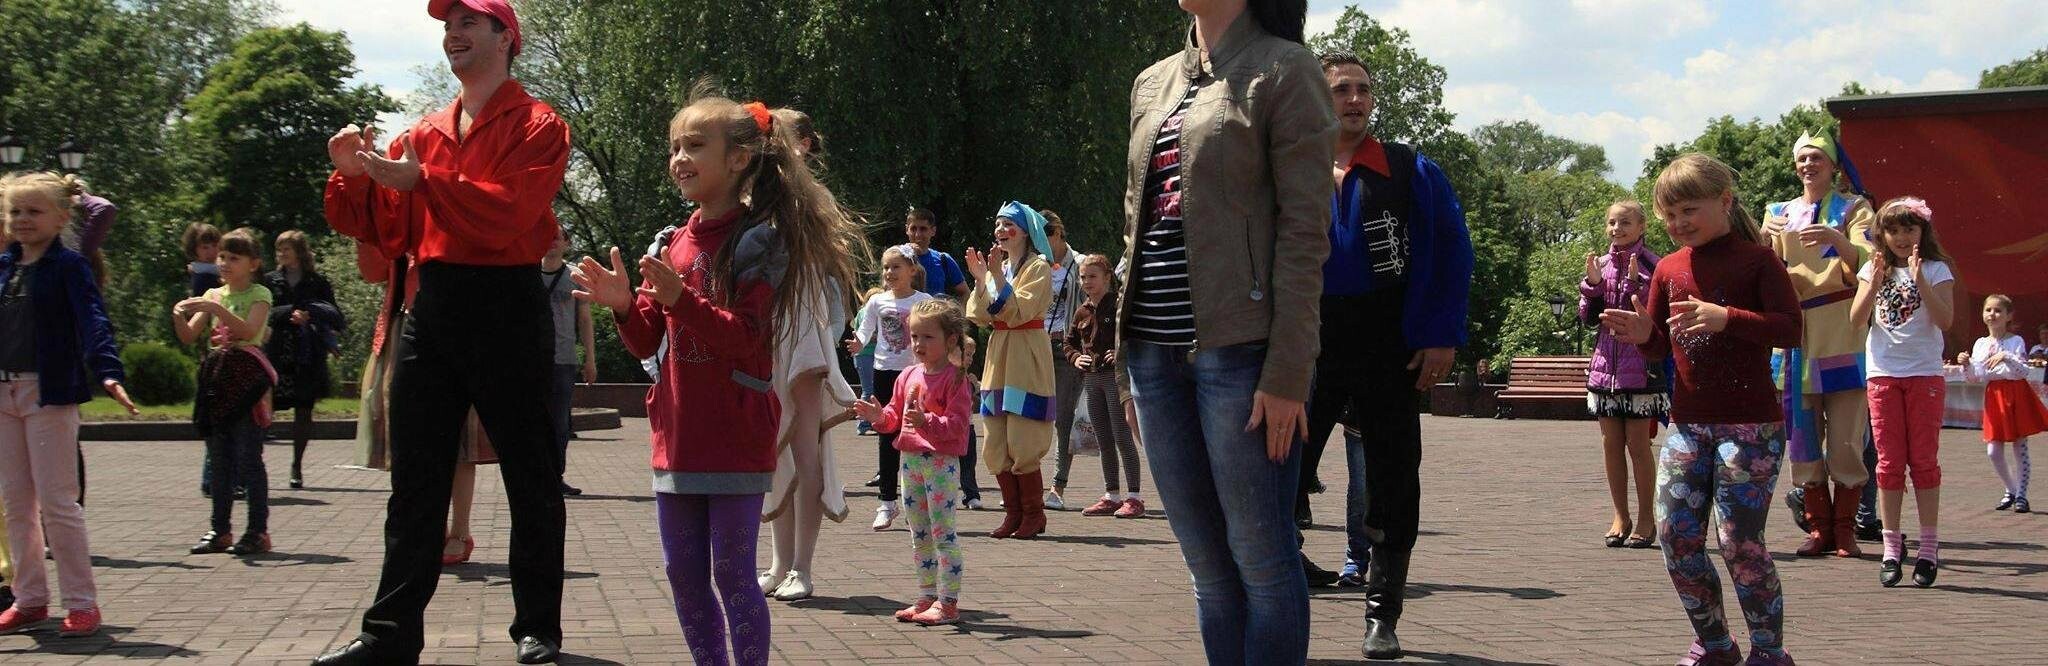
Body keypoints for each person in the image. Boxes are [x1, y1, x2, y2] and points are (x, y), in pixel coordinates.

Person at [313, 0, 570, 662]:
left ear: (505, 37)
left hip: (508, 307)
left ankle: (537, 627)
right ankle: (389, 636)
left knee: (532, 475)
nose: (453, 34)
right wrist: (354, 175)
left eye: (467, 23)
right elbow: (386, 231)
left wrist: (423, 181)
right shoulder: (422, 133)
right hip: (435, 307)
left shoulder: (540, 124)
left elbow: (507, 213)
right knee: (416, 481)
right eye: (448, 26)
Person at [575, 88, 859, 665]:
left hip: (734, 435)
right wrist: (624, 306)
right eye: (675, 146)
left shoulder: (760, 242)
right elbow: (648, 341)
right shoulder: (669, 242)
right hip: (677, 436)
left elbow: (748, 340)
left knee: (733, 575)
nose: (679, 157)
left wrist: (680, 301)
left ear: (737, 159)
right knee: (683, 576)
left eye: (695, 145)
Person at [1121, 2, 1331, 663]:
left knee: (1262, 561)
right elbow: (1133, 223)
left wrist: (1289, 370)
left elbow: (1305, 232)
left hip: (1242, 355)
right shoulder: (1153, 81)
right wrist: (1125, 367)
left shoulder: (1286, 69)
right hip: (1152, 355)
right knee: (1208, 569)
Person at [1300, 49, 1471, 656]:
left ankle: (1382, 613)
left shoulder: (1408, 168)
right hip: (1308, 337)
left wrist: (1440, 333)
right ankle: (1281, 582)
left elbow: (1452, 249)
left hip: (1387, 338)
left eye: (1363, 89)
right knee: (1280, 463)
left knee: (1394, 476)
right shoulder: (1291, 164)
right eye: (1341, 89)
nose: (1354, 99)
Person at [1602, 153, 1801, 665]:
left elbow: (1790, 328)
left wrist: (1727, 317)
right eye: (1669, 215)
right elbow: (1660, 346)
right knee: (1675, 536)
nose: (1679, 223)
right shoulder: (1669, 268)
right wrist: (1643, 334)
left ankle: (1769, 651)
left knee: (1738, 541)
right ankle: (1715, 645)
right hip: (1689, 427)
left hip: (1751, 427)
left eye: (1689, 210)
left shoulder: (1759, 262)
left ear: (1725, 201)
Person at [0, 172, 136, 638]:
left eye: (34, 211)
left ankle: (81, 603)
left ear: (61, 218)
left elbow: (93, 320)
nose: (22, 219)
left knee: (58, 502)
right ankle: (29, 600)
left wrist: (108, 371)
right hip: (3, 395)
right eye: (15, 211)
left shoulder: (69, 266)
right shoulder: (5, 266)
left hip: (47, 393)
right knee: (16, 503)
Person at [759, 105, 867, 603]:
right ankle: (779, 562)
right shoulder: (752, 192)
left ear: (802, 143)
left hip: (802, 330)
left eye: (778, 132)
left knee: (805, 448)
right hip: (766, 328)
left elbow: (825, 275)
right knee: (773, 448)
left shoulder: (809, 199)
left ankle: (802, 565)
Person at [1762, 132, 1876, 559]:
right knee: (1803, 437)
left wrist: (1838, 240)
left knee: (1846, 438)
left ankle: (1845, 529)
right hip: (1795, 335)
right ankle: (1818, 526)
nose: (1808, 165)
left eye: (1817, 158)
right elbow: (1762, 269)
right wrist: (1762, 237)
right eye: (1802, 158)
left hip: (1840, 327)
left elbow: (1870, 260)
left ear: (1832, 164)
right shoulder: (1777, 212)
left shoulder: (1854, 208)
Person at [1850, 196, 1955, 589]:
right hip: (1883, 376)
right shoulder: (1872, 269)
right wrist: (1874, 282)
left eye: (1909, 228)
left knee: (1923, 462)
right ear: (1882, 234)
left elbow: (1945, 320)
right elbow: (1856, 320)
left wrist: (1920, 279)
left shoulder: (1937, 269)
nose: (1901, 237)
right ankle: (1891, 548)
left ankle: (1928, 548)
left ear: (1922, 231)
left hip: (1924, 376)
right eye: (1893, 230)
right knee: (1888, 464)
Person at [854, 298, 976, 626]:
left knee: (942, 532)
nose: (918, 344)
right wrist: (878, 416)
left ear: (951, 340)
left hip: (940, 464)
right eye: (915, 336)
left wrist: (927, 421)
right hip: (910, 462)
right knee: (919, 533)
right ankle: (926, 595)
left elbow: (958, 426)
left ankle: (948, 602)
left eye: (927, 337)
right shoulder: (907, 375)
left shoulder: (955, 379)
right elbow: (894, 417)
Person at [175, 228, 277, 558]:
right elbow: (189, 336)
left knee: (249, 459)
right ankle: (220, 529)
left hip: (247, 379)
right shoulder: (213, 295)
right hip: (218, 379)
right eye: (222, 256)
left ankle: (257, 531)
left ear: (253, 264)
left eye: (234, 258)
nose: (225, 263)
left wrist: (217, 310)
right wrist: (178, 316)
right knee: (219, 459)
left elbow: (248, 330)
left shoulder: (260, 293)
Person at [964, 201, 1057, 541]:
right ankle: (1013, 513)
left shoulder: (1038, 267)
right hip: (999, 355)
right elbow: (979, 314)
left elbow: (1018, 311)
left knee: (1023, 435)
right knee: (996, 439)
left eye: (1008, 224)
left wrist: (997, 278)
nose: (1001, 230)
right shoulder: (997, 268)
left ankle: (1033, 513)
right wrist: (981, 280)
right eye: (998, 224)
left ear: (1025, 231)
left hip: (1025, 354)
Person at [1579, 200, 1663, 549]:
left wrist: (1633, 284)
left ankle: (1646, 518)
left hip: (1638, 367)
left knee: (1638, 444)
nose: (1617, 228)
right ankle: (1620, 515)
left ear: (1642, 226)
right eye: (1612, 222)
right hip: (1605, 367)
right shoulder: (1599, 264)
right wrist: (1593, 286)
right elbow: (1588, 318)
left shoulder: (1654, 264)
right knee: (1610, 443)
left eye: (1626, 222)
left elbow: (1652, 314)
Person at [848, 245, 935, 530]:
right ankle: (887, 502)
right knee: (886, 434)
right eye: (886, 267)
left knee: (917, 434)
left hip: (916, 373)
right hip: (884, 372)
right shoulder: (877, 301)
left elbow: (935, 331)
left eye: (896, 266)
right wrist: (859, 342)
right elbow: (866, 329)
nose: (889, 272)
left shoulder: (923, 301)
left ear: (912, 270)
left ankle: (919, 502)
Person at [1064, 254, 1143, 518]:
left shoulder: (1118, 306)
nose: (1087, 282)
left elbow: (1135, 335)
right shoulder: (1082, 311)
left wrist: (1121, 352)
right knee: (1103, 438)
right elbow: (1069, 342)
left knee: (1122, 435)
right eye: (1083, 277)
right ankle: (1112, 494)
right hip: (1091, 379)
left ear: (1108, 277)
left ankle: (1135, 497)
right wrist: (1076, 357)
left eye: (1093, 276)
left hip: (1114, 378)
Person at [265, 230, 345, 490]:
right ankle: (252, 464)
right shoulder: (270, 280)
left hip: (307, 353)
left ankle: (296, 465)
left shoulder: (317, 282)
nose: (281, 254)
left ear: (299, 251)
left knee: (303, 409)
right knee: (265, 408)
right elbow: (262, 311)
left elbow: (335, 316)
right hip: (277, 351)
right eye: (279, 249)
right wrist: (290, 312)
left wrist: (310, 314)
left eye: (286, 249)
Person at [1959, 294, 2042, 513]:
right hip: (1994, 395)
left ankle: (2021, 495)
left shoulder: (2015, 341)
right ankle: (2011, 489)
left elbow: (2023, 371)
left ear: (2008, 316)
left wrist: (2006, 355)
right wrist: (1966, 364)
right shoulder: (1981, 344)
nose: (1992, 314)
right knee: (1993, 450)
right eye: (1988, 310)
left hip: (2016, 394)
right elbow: (1975, 377)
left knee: (2020, 446)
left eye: (1998, 310)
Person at [539, 227, 596, 496]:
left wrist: (590, 359)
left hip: (563, 359)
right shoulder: (527, 273)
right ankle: (535, 478)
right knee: (532, 422)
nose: (552, 241)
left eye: (557, 237)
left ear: (567, 244)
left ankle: (555, 477)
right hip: (532, 360)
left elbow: (584, 320)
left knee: (560, 424)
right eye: (548, 236)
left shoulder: (575, 276)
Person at [1037, 211, 1086, 511]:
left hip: (1066, 347)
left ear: (1056, 232)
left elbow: (1092, 304)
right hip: (1035, 346)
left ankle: (1058, 487)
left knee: (1063, 418)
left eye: (1041, 236)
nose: (1037, 243)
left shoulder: (1079, 263)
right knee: (1030, 414)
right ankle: (1028, 486)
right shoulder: (1033, 265)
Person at [904, 208, 969, 300]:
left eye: (923, 229)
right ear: (907, 229)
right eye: (913, 229)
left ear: (933, 231)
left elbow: (965, 293)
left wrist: (954, 309)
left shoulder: (943, 259)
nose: (918, 234)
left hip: (936, 309)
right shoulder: (896, 258)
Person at [851, 285, 882, 437]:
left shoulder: (861, 312)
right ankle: (863, 424)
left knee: (871, 390)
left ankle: (870, 422)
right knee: (869, 390)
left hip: (866, 355)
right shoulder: (866, 313)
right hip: (866, 355)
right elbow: (866, 335)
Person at [183, 223, 224, 297]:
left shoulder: (220, 269)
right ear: (193, 249)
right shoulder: (203, 278)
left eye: (214, 245)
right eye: (205, 247)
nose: (212, 251)